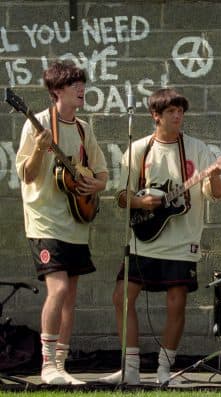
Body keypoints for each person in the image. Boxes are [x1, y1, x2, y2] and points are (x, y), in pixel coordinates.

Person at [99, 88, 221, 386]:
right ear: (156, 116)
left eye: (181, 111)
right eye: (171, 111)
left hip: (183, 241)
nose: (178, 116)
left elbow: (216, 195)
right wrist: (141, 203)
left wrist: (216, 174)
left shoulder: (197, 149)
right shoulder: (139, 149)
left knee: (176, 301)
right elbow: (120, 196)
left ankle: (165, 370)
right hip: (142, 239)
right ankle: (129, 368)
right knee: (122, 297)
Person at [15, 61, 108, 385]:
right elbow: (26, 175)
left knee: (71, 296)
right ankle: (46, 365)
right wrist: (40, 151)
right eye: (74, 85)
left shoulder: (83, 128)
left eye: (82, 84)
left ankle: (60, 365)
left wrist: (96, 185)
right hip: (44, 222)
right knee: (59, 288)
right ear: (56, 91)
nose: (81, 90)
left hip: (75, 221)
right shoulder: (37, 125)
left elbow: (101, 172)